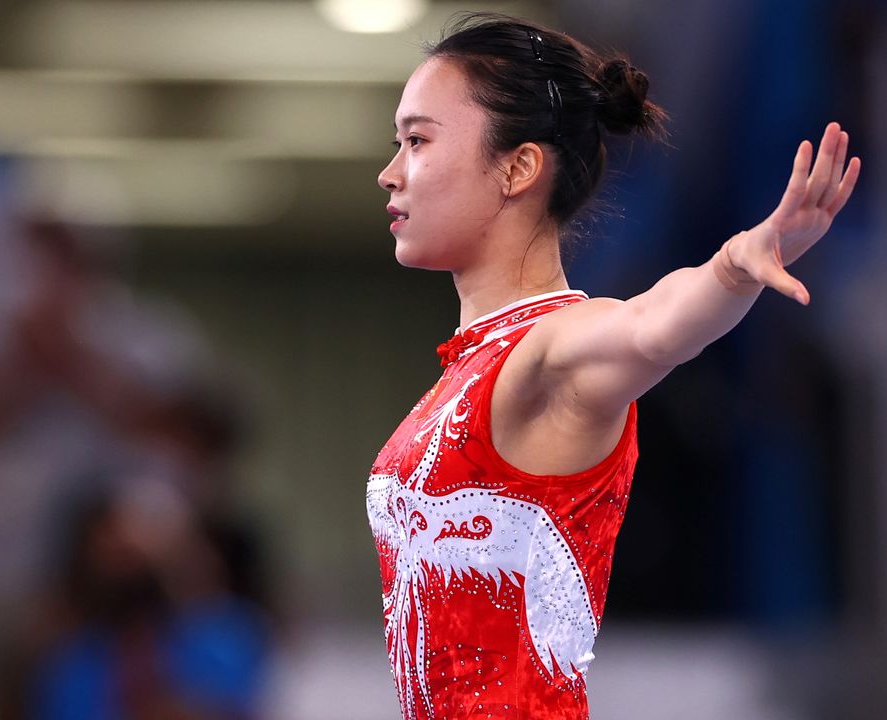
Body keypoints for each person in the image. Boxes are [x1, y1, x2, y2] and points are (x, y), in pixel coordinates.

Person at [365, 13, 859, 720]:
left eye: (417, 141)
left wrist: (730, 269)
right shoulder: (465, 374)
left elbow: (646, 328)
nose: (391, 173)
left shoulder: (551, 350)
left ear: (518, 167)